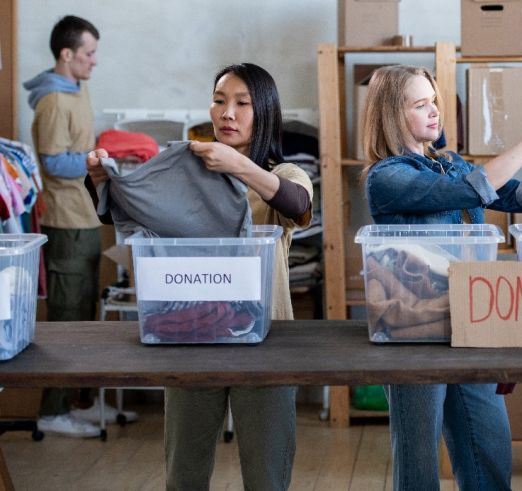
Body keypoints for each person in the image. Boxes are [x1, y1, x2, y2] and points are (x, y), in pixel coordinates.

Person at [86, 63, 312, 490]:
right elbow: (132, 208)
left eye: (242, 104)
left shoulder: (283, 175)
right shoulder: (185, 172)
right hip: (190, 333)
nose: (227, 112)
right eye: (220, 100)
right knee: (184, 473)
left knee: (268, 476)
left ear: (264, 112)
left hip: (267, 340)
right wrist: (101, 179)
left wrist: (238, 166)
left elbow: (297, 203)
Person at [361, 65, 522, 490]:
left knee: (488, 446)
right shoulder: (387, 177)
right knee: (418, 459)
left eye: (434, 101)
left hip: (471, 325)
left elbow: (518, 194)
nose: (434, 111)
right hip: (413, 335)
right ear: (390, 114)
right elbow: (478, 189)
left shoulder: (449, 164)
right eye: (420, 104)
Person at [23, 14, 137, 438]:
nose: (95, 61)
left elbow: (80, 147)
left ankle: (80, 400)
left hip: (86, 216)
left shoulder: (77, 87)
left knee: (87, 312)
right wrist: (102, 159)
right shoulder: (53, 101)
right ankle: (52, 411)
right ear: (66, 55)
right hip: (65, 220)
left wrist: (106, 154)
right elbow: (54, 162)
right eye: (88, 54)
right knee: (67, 317)